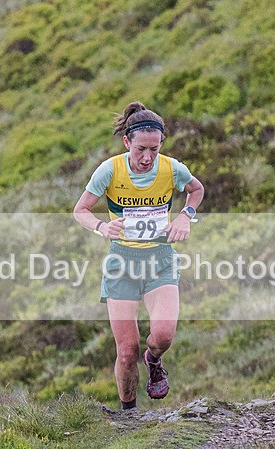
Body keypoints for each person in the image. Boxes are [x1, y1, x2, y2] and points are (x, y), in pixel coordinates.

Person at [73, 102, 204, 410]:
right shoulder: (110, 170)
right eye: (141, 149)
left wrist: (185, 216)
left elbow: (196, 190)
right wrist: (102, 227)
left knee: (163, 336)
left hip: (160, 259)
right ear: (127, 142)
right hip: (122, 264)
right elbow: (80, 211)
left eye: (154, 150)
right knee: (126, 350)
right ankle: (129, 415)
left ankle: (154, 360)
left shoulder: (172, 169)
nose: (147, 158)